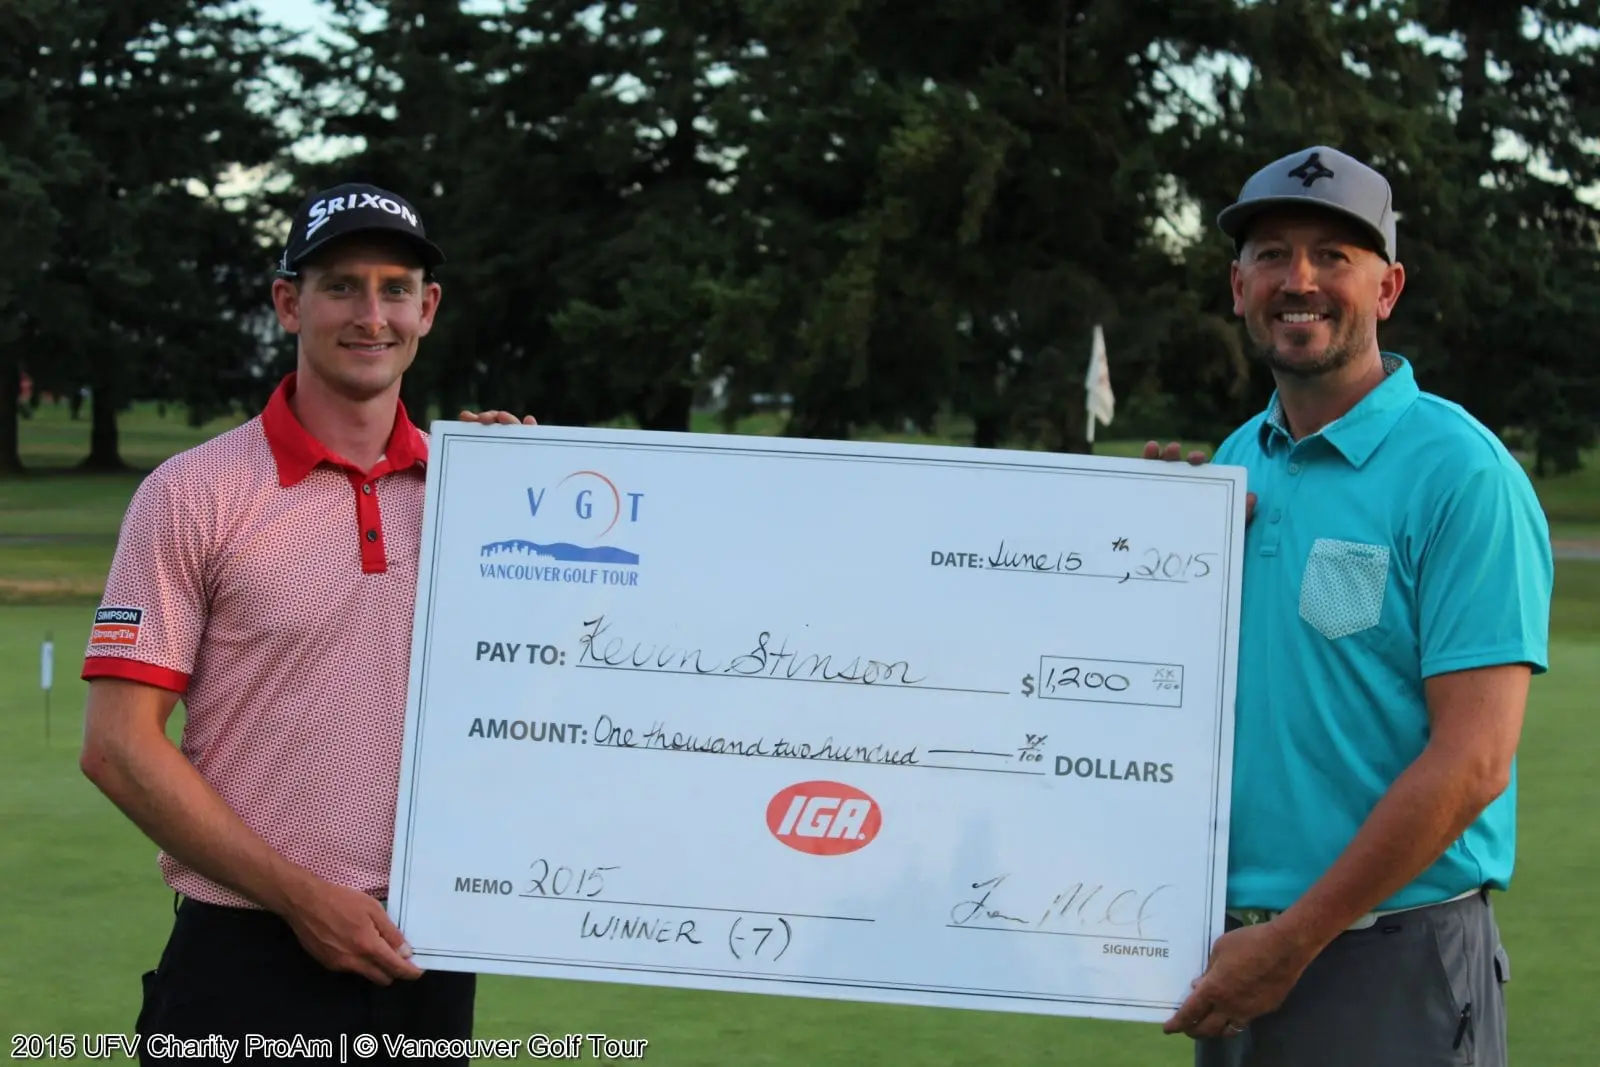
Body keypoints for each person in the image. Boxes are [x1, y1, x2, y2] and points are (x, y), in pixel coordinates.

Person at [78, 182, 532, 1062]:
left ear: (427, 308)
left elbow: (554, 685)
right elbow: (117, 746)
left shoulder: (478, 496)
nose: (372, 314)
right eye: (341, 286)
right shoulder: (192, 493)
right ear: (290, 302)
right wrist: (299, 896)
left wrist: (535, 507)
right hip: (244, 952)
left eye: (395, 288)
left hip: (424, 954)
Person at [1150, 147, 1554, 1066]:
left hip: (1386, 956)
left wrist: (1293, 942)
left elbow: (1475, 758)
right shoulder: (1231, 465)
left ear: (1388, 287)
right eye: (1273, 254)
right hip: (1233, 953)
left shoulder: (1462, 473)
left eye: (1334, 254)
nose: (1301, 280)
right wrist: (1139, 552)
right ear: (1237, 285)